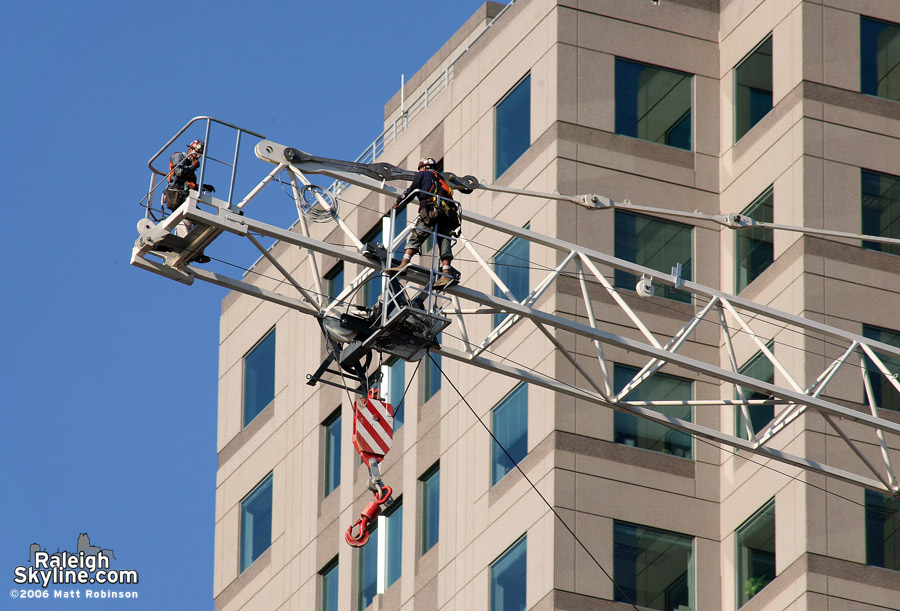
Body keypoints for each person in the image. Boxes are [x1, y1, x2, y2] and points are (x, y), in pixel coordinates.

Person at [385, 157, 460, 289]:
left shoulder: (423, 174)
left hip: (431, 211)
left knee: (416, 237)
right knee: (444, 242)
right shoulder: (441, 179)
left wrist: (399, 202)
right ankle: (446, 273)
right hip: (448, 215)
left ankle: (403, 265)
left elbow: (412, 191)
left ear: (423, 167)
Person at [163, 139, 214, 262]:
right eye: (196, 153)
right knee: (184, 222)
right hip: (176, 195)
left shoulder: (191, 167)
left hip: (185, 197)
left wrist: (203, 187)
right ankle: (184, 250)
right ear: (190, 149)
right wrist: (193, 166)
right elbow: (179, 172)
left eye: (199, 155)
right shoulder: (179, 156)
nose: (197, 156)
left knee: (204, 223)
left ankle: (197, 252)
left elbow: (191, 184)